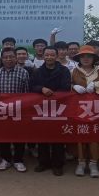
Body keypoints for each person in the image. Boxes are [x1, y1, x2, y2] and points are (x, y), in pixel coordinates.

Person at [70, 45, 99, 178]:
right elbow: (64, 87)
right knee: (80, 135)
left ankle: (94, 163)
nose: (86, 59)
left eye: (89, 56)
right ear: (79, 58)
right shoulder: (73, 71)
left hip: (97, 110)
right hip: (78, 110)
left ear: (94, 58)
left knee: (95, 135)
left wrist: (96, 84)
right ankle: (81, 162)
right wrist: (73, 87)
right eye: (83, 56)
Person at [30, 46, 71, 176]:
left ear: (57, 56)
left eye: (52, 55)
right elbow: (32, 86)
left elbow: (66, 87)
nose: (49, 57)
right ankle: (43, 162)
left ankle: (58, 164)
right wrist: (41, 89)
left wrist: (52, 94)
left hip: (59, 108)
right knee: (42, 136)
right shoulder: (37, 71)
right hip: (41, 108)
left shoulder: (64, 70)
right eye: (47, 55)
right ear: (43, 56)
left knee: (58, 137)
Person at [0, 48, 30, 172]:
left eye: (11, 57)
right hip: (2, 110)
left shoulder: (23, 72)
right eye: (5, 57)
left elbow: (27, 92)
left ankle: (18, 160)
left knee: (19, 136)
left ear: (15, 58)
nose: (8, 59)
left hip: (19, 110)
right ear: (1, 59)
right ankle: (6, 159)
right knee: (3, 135)